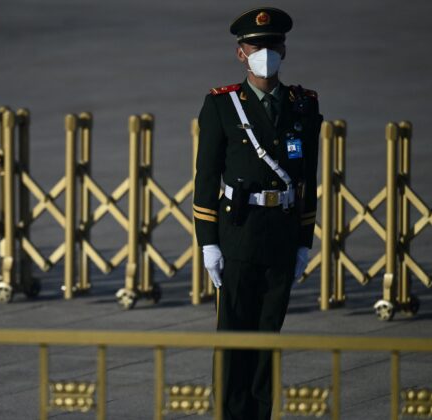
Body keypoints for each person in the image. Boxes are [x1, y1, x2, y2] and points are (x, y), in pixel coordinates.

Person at [192, 7, 323, 420]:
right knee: (234, 339)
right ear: (240, 53)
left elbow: (307, 181)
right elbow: (205, 178)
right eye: (256, 46)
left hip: (282, 235)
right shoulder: (223, 105)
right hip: (239, 234)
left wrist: (305, 241)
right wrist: (208, 243)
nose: (265, 52)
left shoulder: (303, 105)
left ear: (284, 48)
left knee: (268, 339)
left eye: (272, 45)